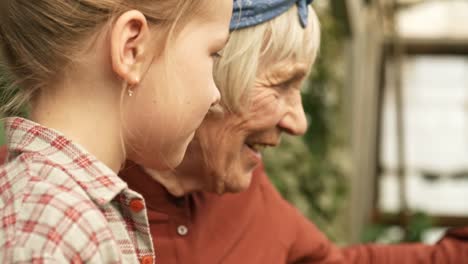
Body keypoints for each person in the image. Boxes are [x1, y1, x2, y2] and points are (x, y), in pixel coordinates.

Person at [119, 0, 468, 263]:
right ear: (208, 75)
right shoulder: (91, 215)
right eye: (282, 84)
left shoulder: (244, 194)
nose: (298, 123)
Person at [0, 0, 231, 263]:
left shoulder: (57, 214)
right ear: (131, 48)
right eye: (214, 53)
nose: (216, 95)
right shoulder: (55, 231)